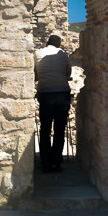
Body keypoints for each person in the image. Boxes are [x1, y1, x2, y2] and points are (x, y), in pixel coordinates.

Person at [34, 34, 72, 173]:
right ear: (59, 45)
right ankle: (56, 163)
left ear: (46, 43)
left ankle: (45, 163)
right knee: (59, 129)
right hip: (62, 92)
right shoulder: (63, 54)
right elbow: (68, 73)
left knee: (45, 129)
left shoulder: (38, 53)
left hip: (45, 93)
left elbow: (35, 74)